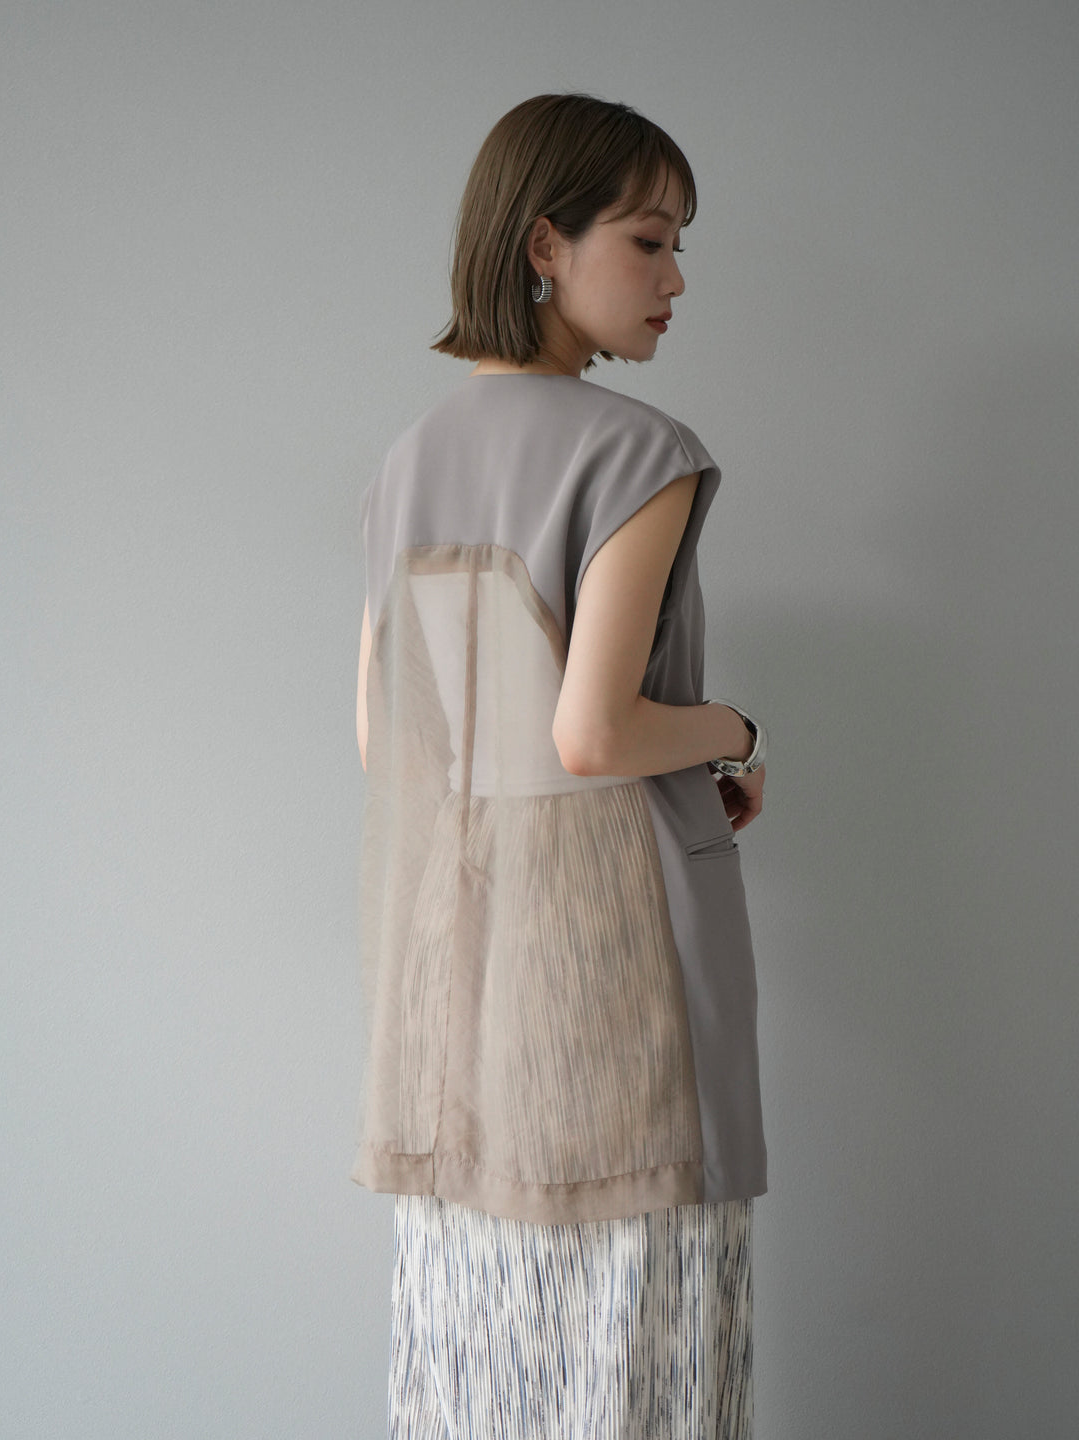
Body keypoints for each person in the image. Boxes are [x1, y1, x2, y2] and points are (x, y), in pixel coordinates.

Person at [354, 92, 768, 1440]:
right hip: (614, 974)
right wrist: (736, 733)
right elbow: (594, 736)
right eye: (649, 242)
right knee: (636, 1359)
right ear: (546, 244)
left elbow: (386, 738)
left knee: (482, 1360)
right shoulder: (641, 451)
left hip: (458, 983)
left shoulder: (408, 462)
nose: (676, 278)